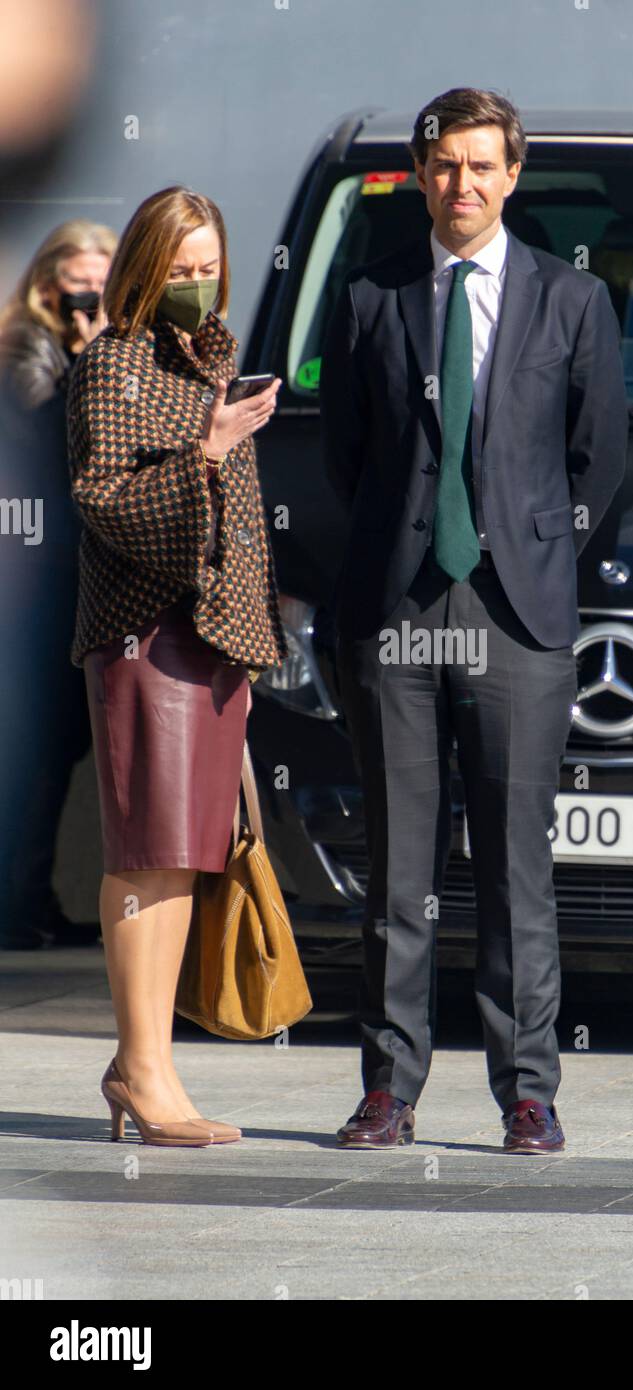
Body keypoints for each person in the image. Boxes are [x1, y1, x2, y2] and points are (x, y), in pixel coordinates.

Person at [320, 88, 628, 1153]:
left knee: (512, 869)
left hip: (515, 613)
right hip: (395, 606)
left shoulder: (569, 302)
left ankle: (527, 1092)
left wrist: (534, 552)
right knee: (398, 867)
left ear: (512, 175)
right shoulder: (370, 295)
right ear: (420, 175)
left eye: (480, 165)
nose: (461, 183)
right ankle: (388, 1088)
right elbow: (347, 457)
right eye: (443, 165)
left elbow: (598, 459)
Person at [66, 185, 288, 1146]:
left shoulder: (213, 358)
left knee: (186, 861)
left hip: (215, 638)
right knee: (146, 857)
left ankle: (145, 1065)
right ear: (145, 272)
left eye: (212, 271)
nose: (200, 289)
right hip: (143, 633)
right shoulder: (110, 363)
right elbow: (101, 497)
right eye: (182, 272)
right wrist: (207, 446)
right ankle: (142, 1070)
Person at [0, 220, 116, 949]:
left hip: (60, 580)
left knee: (57, 746)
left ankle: (29, 901)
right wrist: (93, 352)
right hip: (38, 584)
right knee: (42, 745)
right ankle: (17, 907)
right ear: (47, 284)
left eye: (106, 286)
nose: (92, 301)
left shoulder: (56, 345)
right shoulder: (22, 348)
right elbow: (49, 433)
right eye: (81, 284)